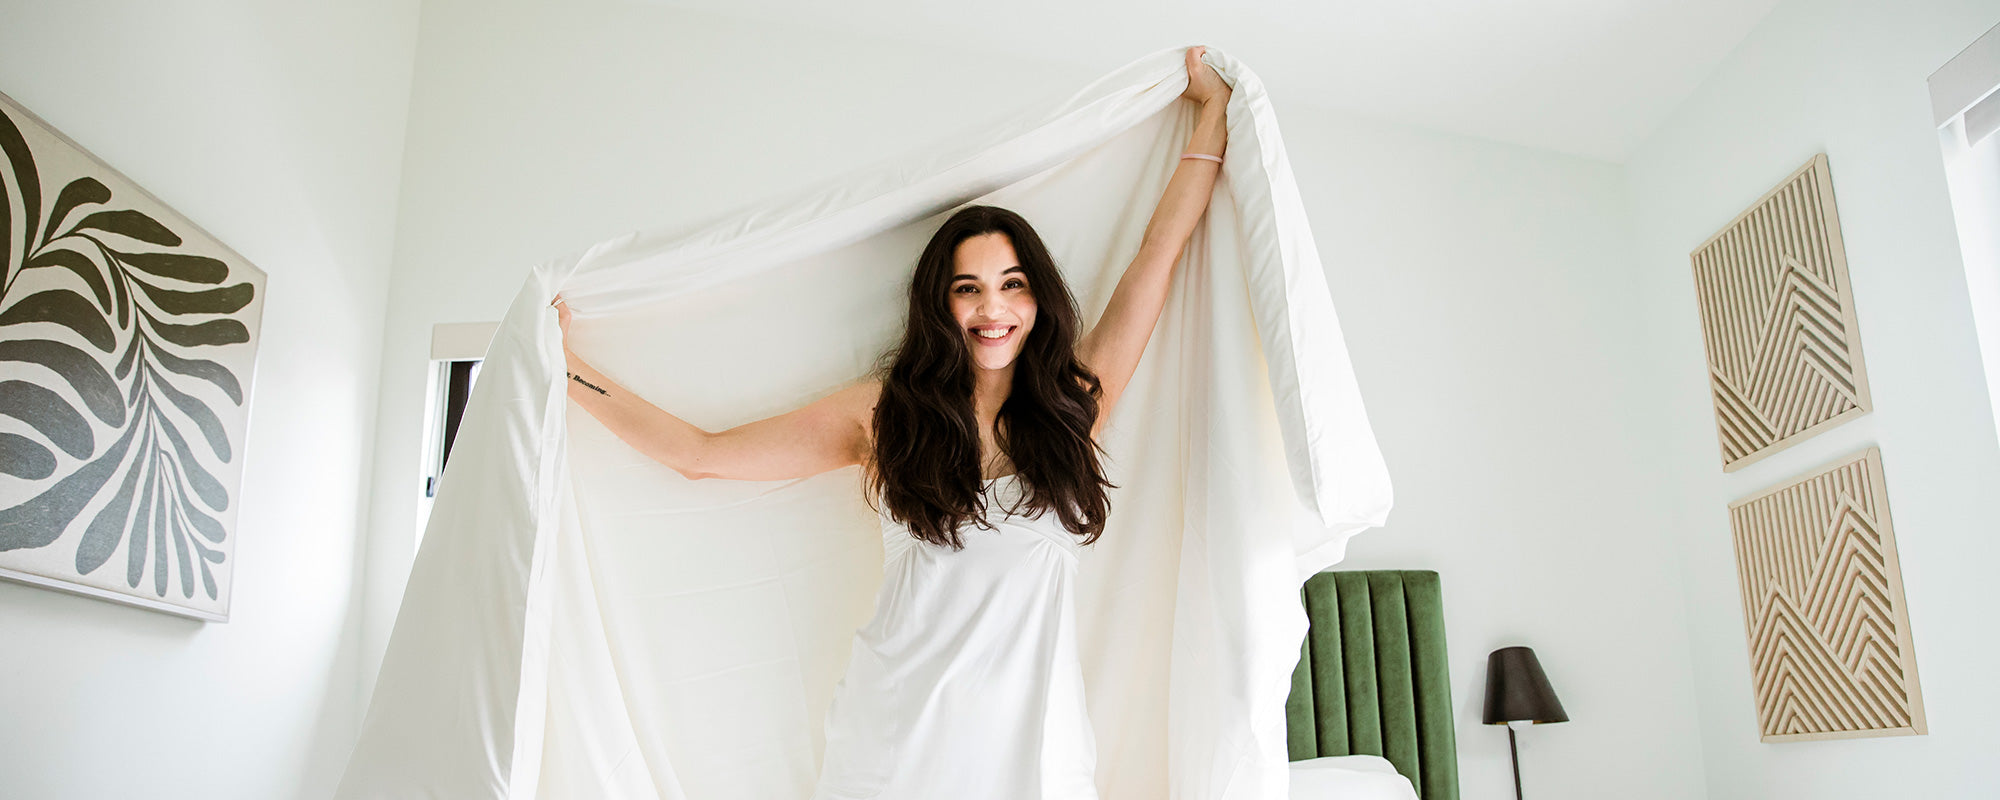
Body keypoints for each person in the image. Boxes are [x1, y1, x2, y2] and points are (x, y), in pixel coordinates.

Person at [554, 45, 1231, 800]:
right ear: (940, 306)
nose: (992, 309)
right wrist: (567, 371)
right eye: (967, 289)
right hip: (901, 740)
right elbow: (700, 454)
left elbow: (1158, 256)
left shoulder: (1075, 407)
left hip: (1037, 749)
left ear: (1038, 298)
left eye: (1012, 285)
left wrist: (1211, 111)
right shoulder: (884, 416)